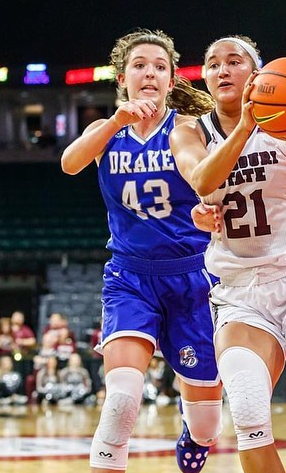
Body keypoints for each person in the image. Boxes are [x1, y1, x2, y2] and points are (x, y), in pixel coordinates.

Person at [169, 36, 286, 472]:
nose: (222, 70)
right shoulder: (189, 130)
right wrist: (245, 127)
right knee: (249, 413)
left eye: (233, 61)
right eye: (213, 63)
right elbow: (202, 180)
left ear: (256, 74)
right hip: (239, 293)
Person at [61, 28, 223, 473]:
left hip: (195, 279)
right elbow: (69, 163)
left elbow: (203, 178)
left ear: (172, 81)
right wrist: (116, 121)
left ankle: (195, 434)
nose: (149, 72)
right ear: (122, 78)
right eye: (139, 65)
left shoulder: (187, 130)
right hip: (130, 278)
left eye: (159, 67)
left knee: (209, 425)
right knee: (121, 403)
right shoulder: (104, 131)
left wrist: (207, 208)